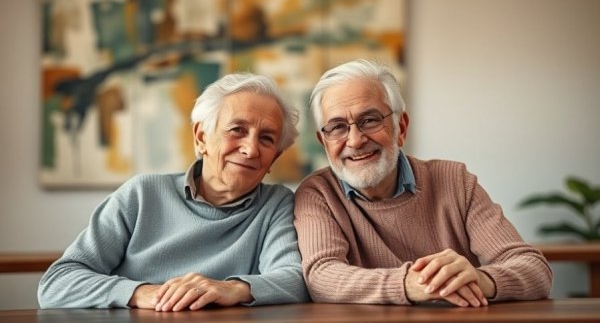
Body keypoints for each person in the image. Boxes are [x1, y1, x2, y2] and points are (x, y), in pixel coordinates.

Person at [38, 73, 310, 311]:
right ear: (201, 138)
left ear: (274, 158)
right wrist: (143, 293)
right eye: (237, 130)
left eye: (266, 138)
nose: (251, 149)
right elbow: (58, 282)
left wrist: (233, 288)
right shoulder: (141, 194)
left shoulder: (276, 204)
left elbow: (296, 280)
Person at [293, 59, 552, 307]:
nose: (355, 140)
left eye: (370, 120)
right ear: (323, 142)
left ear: (401, 127)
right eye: (337, 127)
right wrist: (408, 283)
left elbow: (534, 268)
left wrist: (481, 279)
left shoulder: (455, 181)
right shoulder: (318, 193)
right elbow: (321, 277)